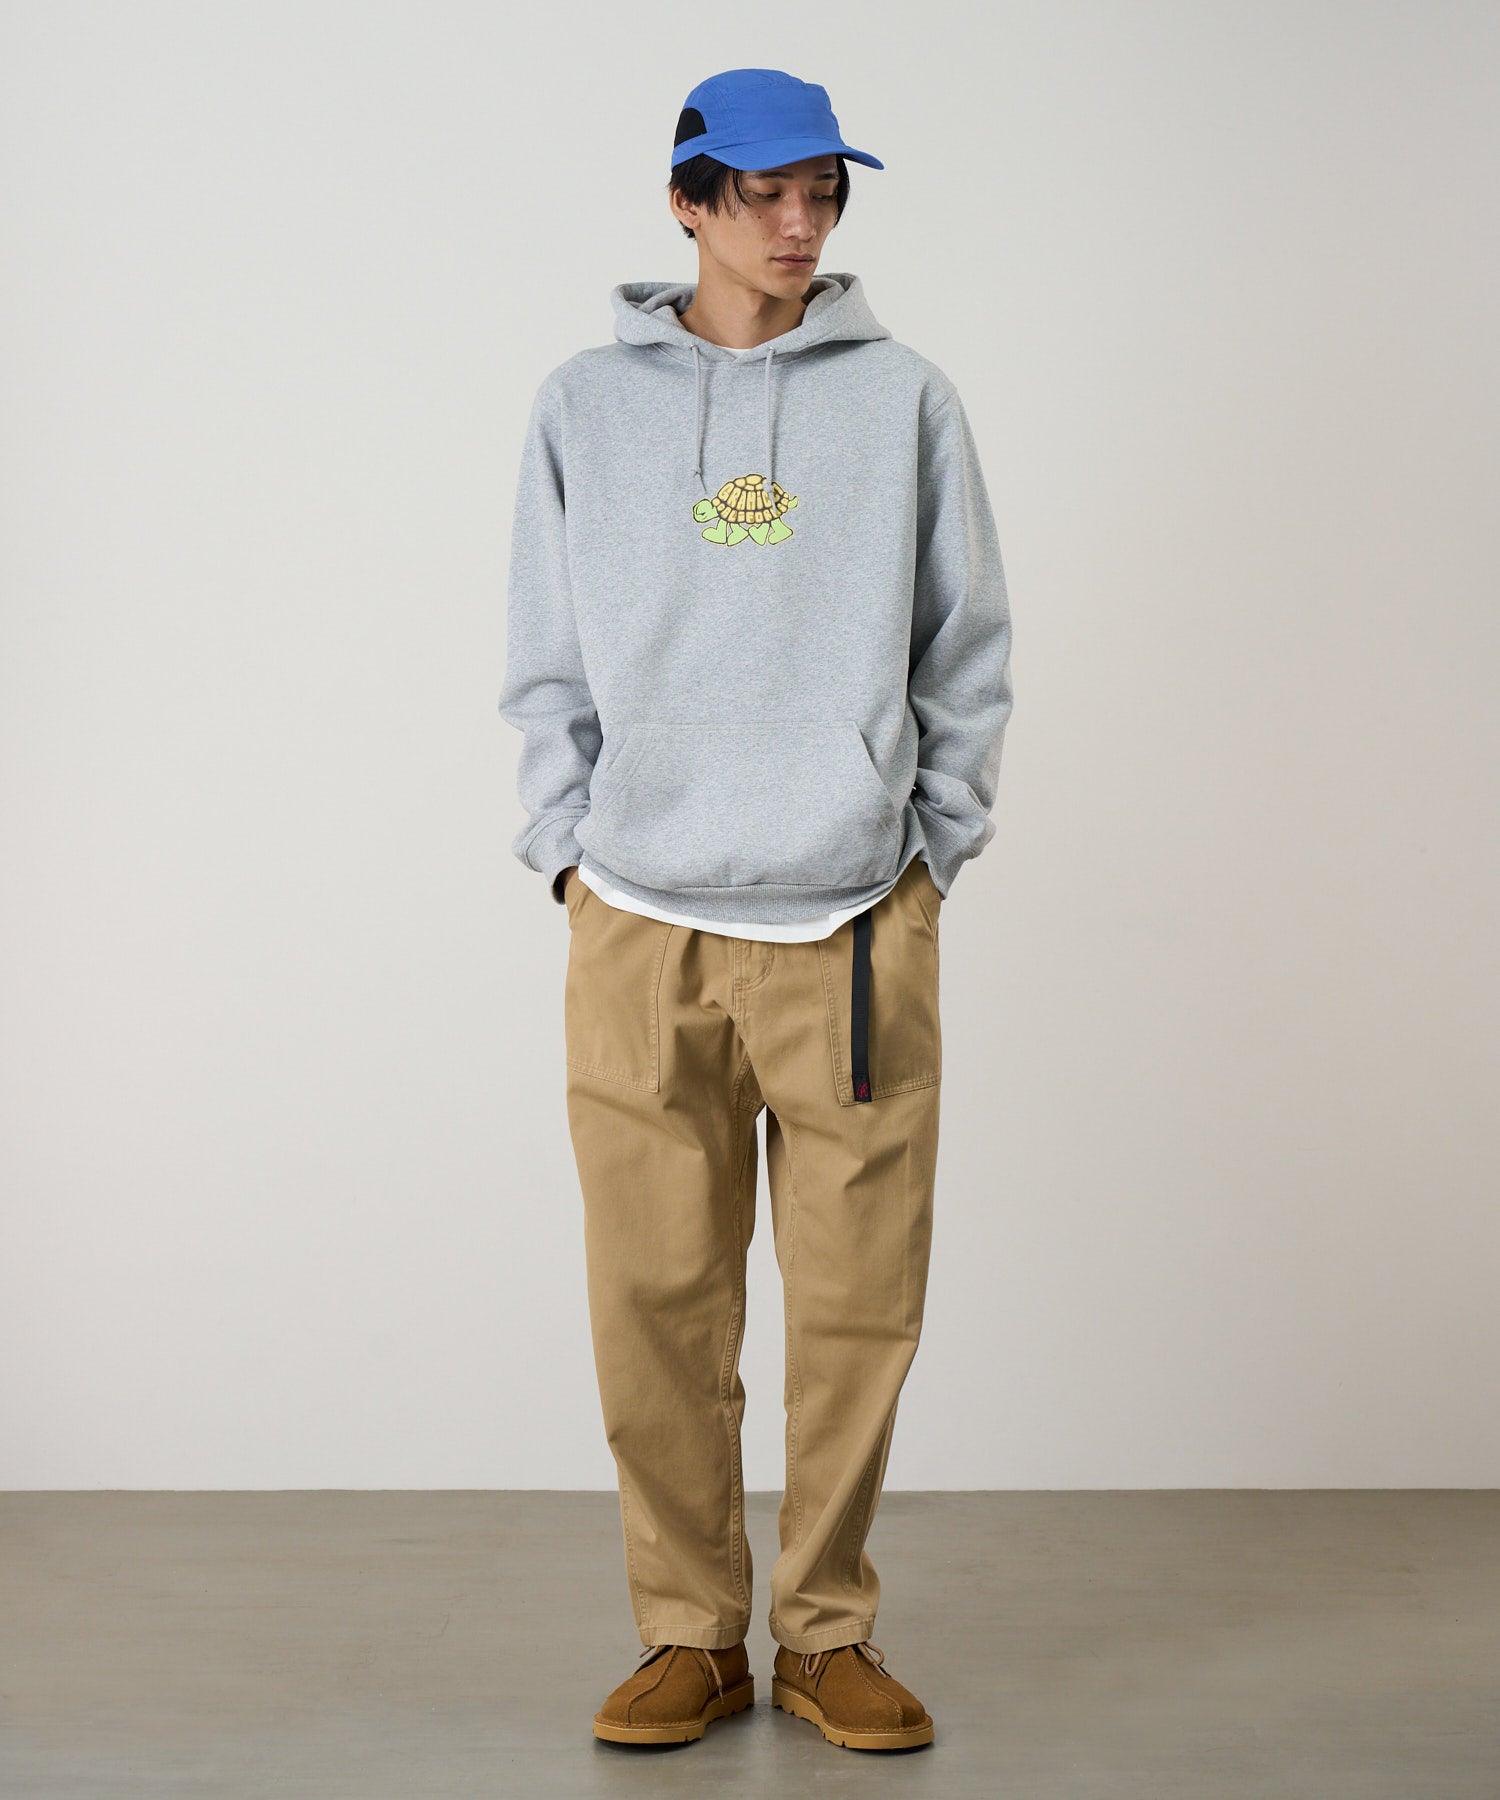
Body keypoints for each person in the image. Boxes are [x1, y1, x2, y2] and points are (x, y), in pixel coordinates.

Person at [497, 66, 1013, 1753]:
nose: (801, 224)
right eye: (765, 193)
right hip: (640, 921)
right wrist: (568, 855)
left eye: (824, 194)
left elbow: (966, 644)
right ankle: (688, 1634)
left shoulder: (905, 398)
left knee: (859, 1307)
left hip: (854, 921)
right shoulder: (585, 405)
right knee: (654, 1302)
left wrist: (929, 848)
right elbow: (545, 657)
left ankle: (828, 1634)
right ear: (688, 201)